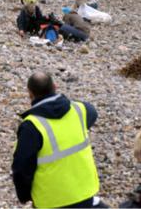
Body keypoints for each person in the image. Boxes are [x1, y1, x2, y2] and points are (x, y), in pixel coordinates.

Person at [12, 72, 102, 208]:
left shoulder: (31, 126)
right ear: (55, 86)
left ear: (30, 93)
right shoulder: (79, 109)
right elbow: (93, 113)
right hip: (85, 193)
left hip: (51, 201)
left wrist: (24, 196)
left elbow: (22, 168)